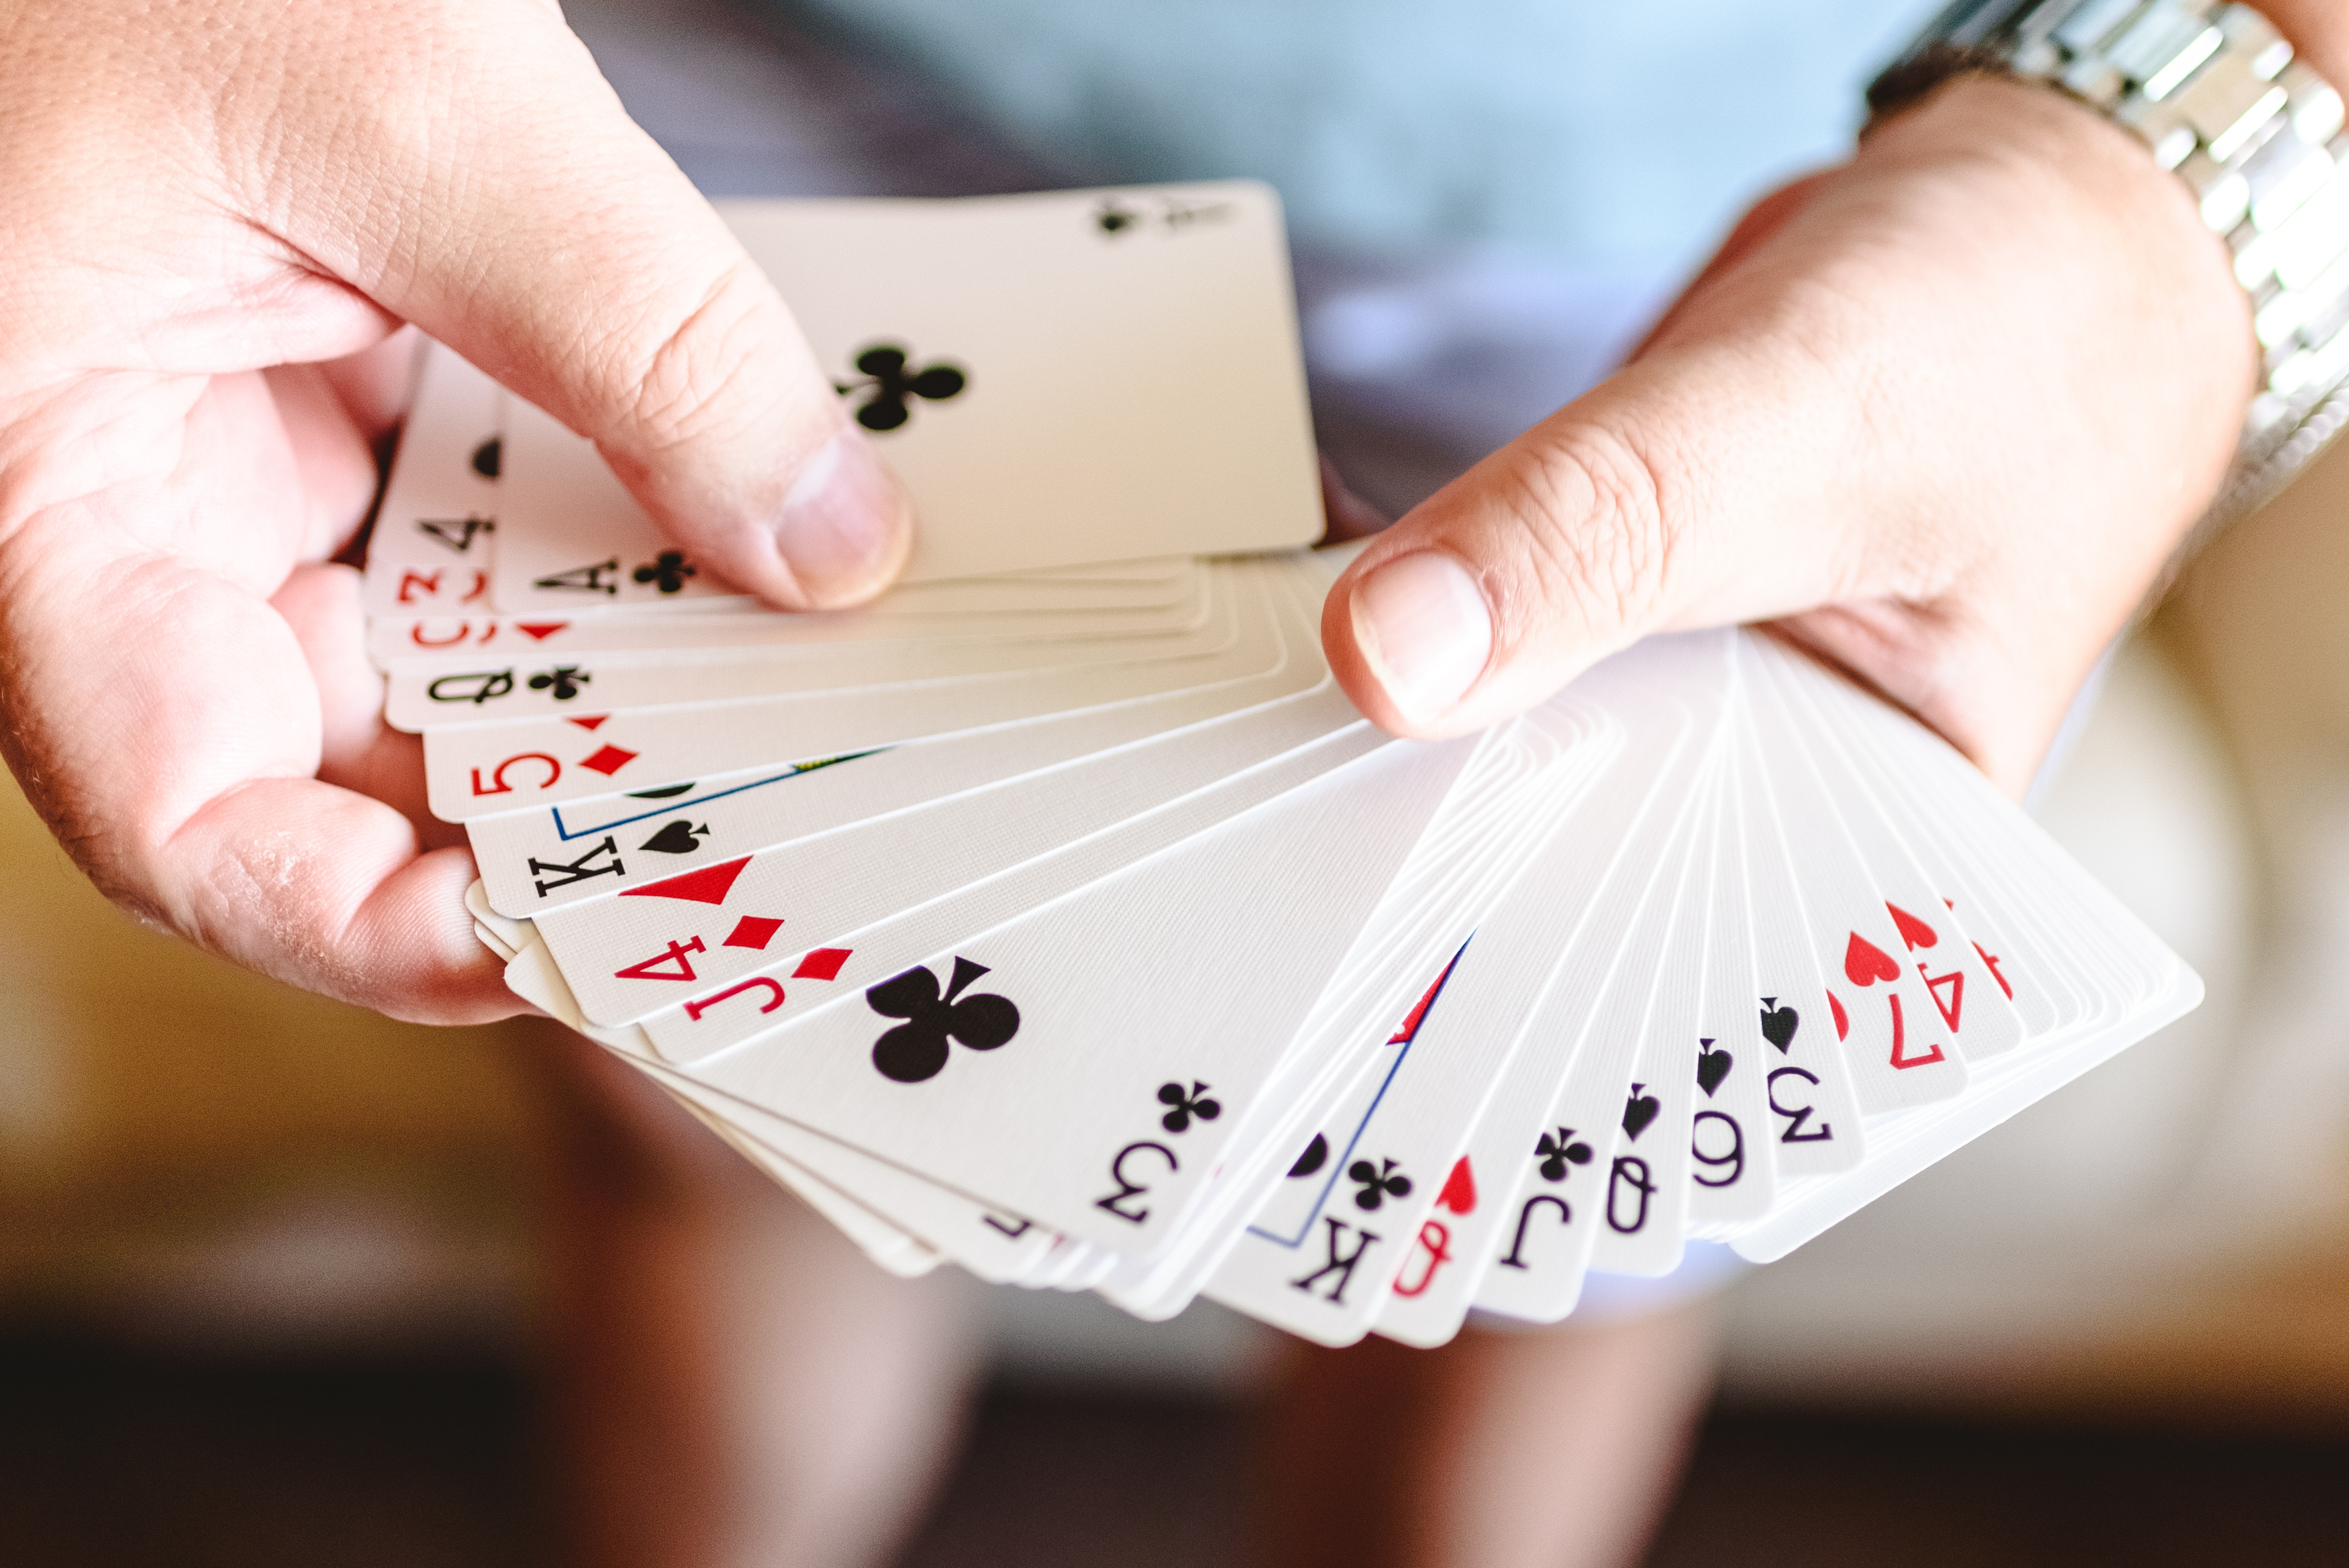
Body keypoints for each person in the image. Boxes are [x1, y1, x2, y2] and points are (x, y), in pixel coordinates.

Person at [0, 0, 2317, 1563]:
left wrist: (2195, 162)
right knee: (704, 1090)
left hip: (1714, 185)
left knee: (1543, 1197)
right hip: (681, 83)